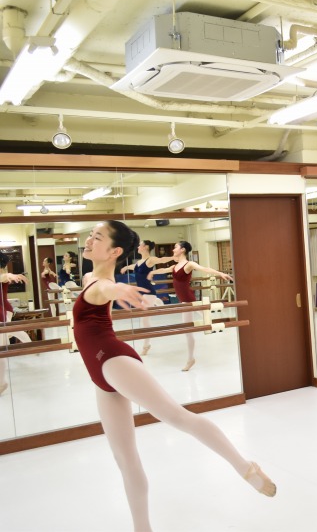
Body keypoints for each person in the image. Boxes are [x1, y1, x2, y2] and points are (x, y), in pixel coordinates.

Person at [75, 220, 275, 530]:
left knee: (177, 417)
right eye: (91, 235)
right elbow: (100, 286)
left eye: (97, 237)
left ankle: (244, 467)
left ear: (114, 251)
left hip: (114, 361)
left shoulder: (102, 283)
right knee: (125, 458)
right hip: (100, 375)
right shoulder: (90, 277)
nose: (89, 240)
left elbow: (106, 289)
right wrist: (116, 286)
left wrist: (119, 288)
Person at [148, 241, 232, 371]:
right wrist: (152, 273)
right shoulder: (175, 266)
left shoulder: (189, 264)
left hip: (189, 300)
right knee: (190, 328)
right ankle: (191, 357)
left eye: (176, 247)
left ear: (182, 250)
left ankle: (193, 356)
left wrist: (220, 273)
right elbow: (163, 269)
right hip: (184, 302)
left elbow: (205, 269)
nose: (173, 249)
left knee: (195, 326)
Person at [120, 240, 173, 355]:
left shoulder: (150, 260)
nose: (138, 247)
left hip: (149, 292)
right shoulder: (139, 262)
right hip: (143, 293)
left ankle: (146, 345)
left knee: (144, 319)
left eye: (140, 245)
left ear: (146, 247)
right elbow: (135, 266)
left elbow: (162, 260)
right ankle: (157, 301)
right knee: (144, 316)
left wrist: (174, 257)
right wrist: (126, 267)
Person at [0, 255, 29, 396]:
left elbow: (4, 277)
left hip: (3, 312)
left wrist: (10, 275)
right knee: (5, 340)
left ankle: (1, 383)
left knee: (2, 346)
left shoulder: (3, 275)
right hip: (3, 312)